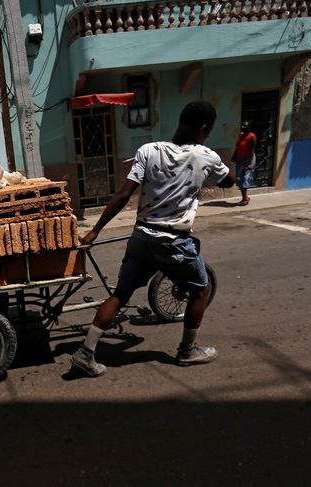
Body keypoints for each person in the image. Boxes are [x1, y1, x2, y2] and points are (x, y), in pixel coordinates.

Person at [70, 100, 235, 377]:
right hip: (173, 241)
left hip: (142, 236)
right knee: (200, 290)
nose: (208, 136)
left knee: (121, 294)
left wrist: (95, 229)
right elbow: (229, 181)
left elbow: (123, 195)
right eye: (209, 131)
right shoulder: (206, 156)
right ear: (203, 129)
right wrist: (223, 165)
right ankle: (187, 352)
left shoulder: (148, 150)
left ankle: (86, 353)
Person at [232, 120, 256, 206]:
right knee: (238, 178)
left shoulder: (252, 137)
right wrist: (234, 155)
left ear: (249, 128)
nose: (243, 127)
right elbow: (238, 146)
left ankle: (245, 198)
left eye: (245, 126)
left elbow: (252, 151)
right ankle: (245, 196)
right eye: (242, 126)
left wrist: (250, 163)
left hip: (247, 159)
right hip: (240, 159)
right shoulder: (241, 135)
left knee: (244, 179)